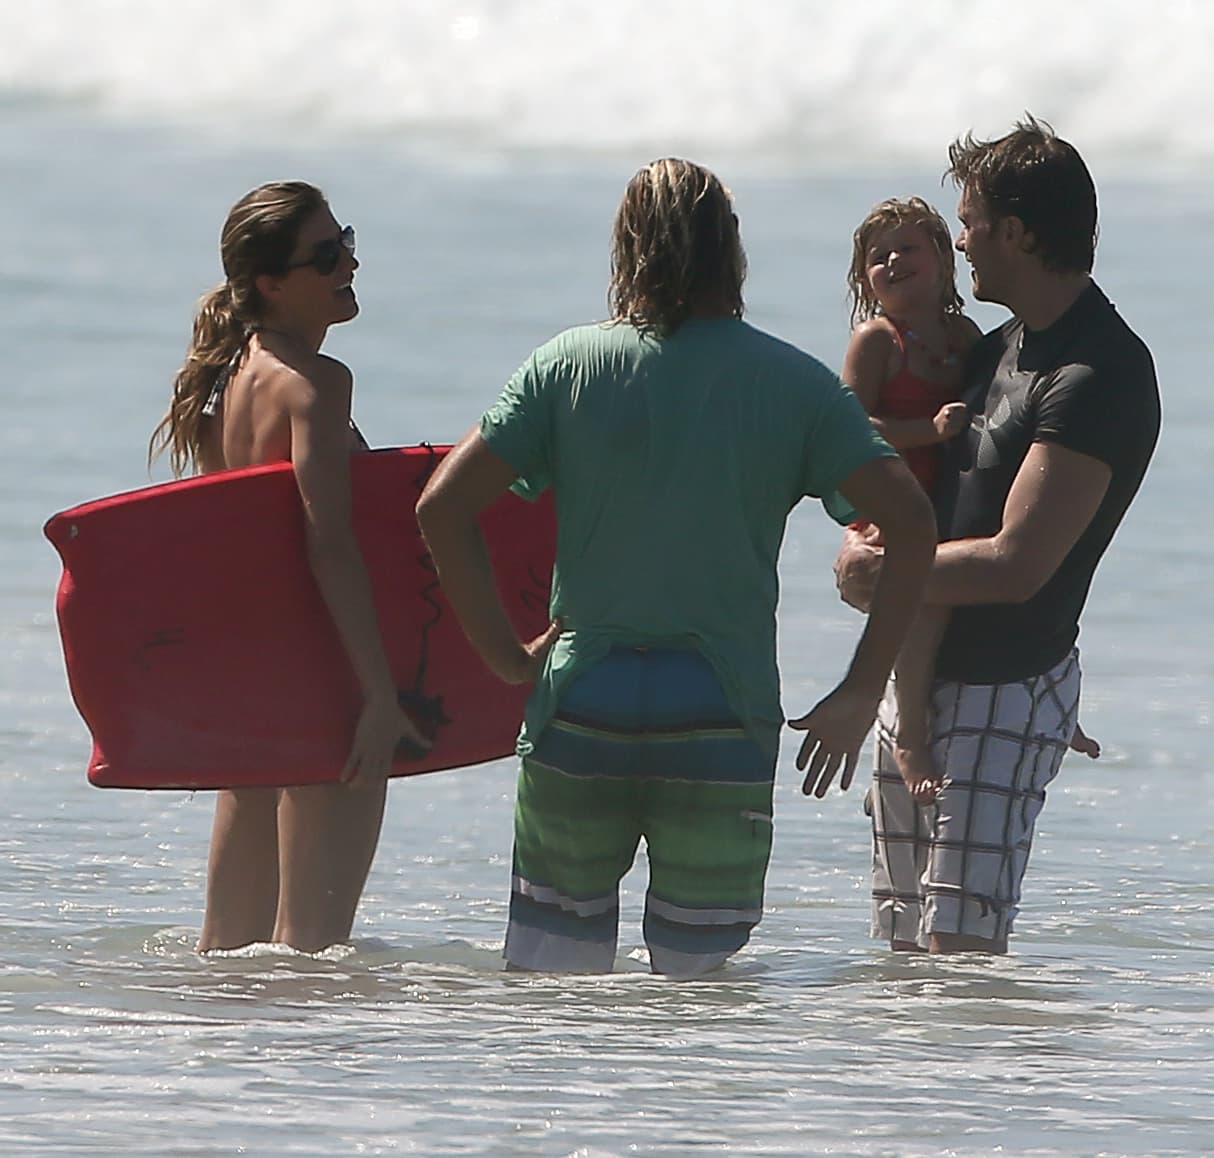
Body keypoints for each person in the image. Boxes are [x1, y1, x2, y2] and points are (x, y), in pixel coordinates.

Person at [415, 157, 937, 977]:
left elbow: (440, 505)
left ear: (628, 248)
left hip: (582, 699)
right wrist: (860, 688)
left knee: (555, 979)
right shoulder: (793, 383)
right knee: (699, 993)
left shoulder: (566, 365)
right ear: (730, 251)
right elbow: (911, 521)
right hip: (719, 711)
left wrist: (500, 653)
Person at [835, 118, 1161, 954]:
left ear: (1015, 232)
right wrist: (863, 547)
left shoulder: (1098, 373)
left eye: (973, 222)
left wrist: (886, 577)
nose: (964, 241)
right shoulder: (995, 351)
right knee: (900, 955)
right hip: (920, 675)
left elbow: (1018, 564)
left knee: (960, 957)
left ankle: (990, 1090)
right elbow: (921, 488)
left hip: (1005, 682)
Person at [149, 181, 428, 953]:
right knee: (312, 948)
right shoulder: (315, 385)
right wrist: (377, 694)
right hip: (324, 675)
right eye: (327, 256)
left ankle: (221, 1073)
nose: (350, 265)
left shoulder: (225, 375)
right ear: (272, 282)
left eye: (347, 242)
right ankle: (300, 1078)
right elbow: (328, 544)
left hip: (253, 676)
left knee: (229, 949)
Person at [842, 197, 1100, 803]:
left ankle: (1048, 703)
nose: (894, 261)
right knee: (924, 599)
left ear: (942, 257)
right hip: (894, 492)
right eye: (878, 258)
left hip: (948, 495)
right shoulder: (877, 341)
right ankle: (909, 732)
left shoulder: (970, 339)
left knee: (979, 598)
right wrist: (926, 431)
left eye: (909, 247)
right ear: (865, 283)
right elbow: (847, 426)